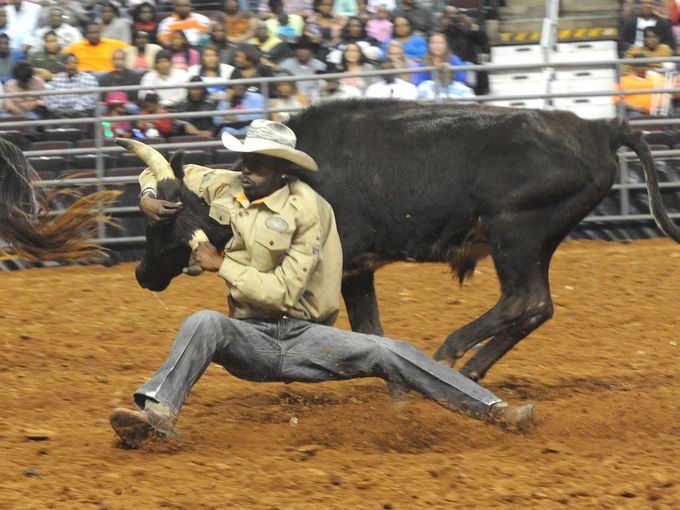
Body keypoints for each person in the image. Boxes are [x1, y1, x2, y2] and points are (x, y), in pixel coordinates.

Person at [109, 119, 535, 448]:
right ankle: (157, 417)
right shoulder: (230, 185)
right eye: (245, 159)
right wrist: (147, 198)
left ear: (281, 169)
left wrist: (221, 265)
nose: (245, 168)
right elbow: (172, 174)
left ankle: (495, 410)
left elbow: (284, 293)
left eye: (256, 162)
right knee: (203, 322)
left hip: (305, 338)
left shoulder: (309, 211)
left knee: (390, 351)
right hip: (249, 338)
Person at [62, 23, 131, 74]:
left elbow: (131, 50)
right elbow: (61, 57)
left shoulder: (112, 43)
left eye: (96, 32)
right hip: (84, 77)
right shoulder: (77, 46)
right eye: (91, 33)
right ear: (86, 35)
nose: (94, 35)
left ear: (100, 33)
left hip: (107, 76)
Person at [46, 53, 99, 117]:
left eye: (74, 63)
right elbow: (50, 98)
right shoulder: (57, 78)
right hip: (60, 114)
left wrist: (73, 110)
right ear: (63, 65)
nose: (72, 66)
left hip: (80, 113)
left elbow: (89, 99)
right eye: (68, 63)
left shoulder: (88, 78)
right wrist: (59, 110)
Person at [278, 35, 326, 100]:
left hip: (316, 97)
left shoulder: (319, 65)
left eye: (306, 49)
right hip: (293, 98)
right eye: (300, 48)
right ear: (295, 51)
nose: (303, 52)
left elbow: (323, 84)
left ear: (311, 51)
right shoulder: (286, 65)